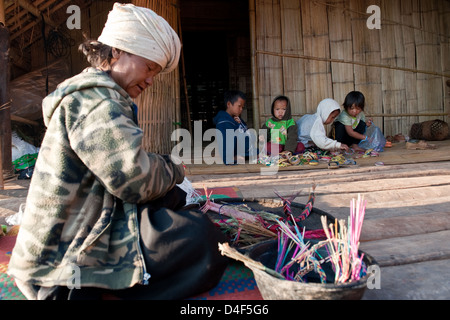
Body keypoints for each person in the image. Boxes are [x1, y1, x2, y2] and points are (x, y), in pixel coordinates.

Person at [8, 3, 228, 300]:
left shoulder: (100, 94)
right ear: (117, 52)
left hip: (87, 229)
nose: (151, 80)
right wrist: (173, 168)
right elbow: (133, 181)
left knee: (172, 200)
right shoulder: (96, 100)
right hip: (60, 268)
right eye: (149, 67)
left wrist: (165, 174)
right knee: (202, 239)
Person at [213, 90, 258, 164]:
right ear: (229, 104)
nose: (241, 109)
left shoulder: (236, 119)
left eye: (242, 107)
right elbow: (226, 142)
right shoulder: (224, 122)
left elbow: (245, 131)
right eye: (239, 106)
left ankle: (249, 153)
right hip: (232, 153)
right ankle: (231, 157)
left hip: (241, 149)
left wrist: (239, 124)